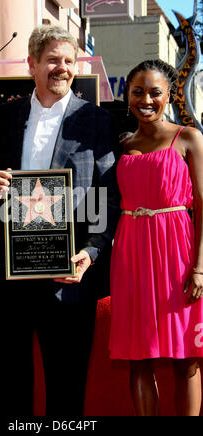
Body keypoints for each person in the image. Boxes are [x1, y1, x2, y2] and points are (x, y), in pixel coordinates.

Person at [0, 24, 120, 416]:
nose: (63, 68)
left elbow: (107, 196)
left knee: (67, 388)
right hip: (7, 274)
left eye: (69, 61)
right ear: (32, 64)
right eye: (53, 59)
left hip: (67, 275)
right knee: (7, 385)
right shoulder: (3, 117)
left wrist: (91, 252)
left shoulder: (97, 120)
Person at [109, 59, 203, 416]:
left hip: (178, 256)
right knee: (138, 356)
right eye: (137, 92)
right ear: (127, 96)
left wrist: (200, 268)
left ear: (169, 96)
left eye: (155, 92)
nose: (145, 99)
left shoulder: (189, 138)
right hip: (132, 254)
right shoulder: (121, 142)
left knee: (186, 358)